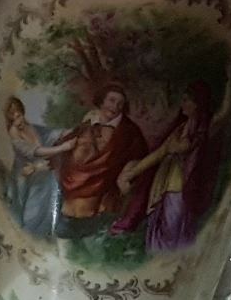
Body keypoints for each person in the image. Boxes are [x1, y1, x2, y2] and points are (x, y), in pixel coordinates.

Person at [110, 81, 220, 252]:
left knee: (174, 231)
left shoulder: (201, 131)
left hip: (181, 187)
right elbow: (161, 152)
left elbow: (179, 149)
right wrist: (132, 173)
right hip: (166, 185)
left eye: (187, 100)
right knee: (163, 230)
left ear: (197, 104)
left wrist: (133, 172)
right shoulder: (181, 129)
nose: (182, 104)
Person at [32, 84, 149, 229]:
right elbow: (68, 141)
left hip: (105, 174)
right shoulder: (90, 122)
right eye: (112, 100)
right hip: (76, 171)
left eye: (120, 104)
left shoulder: (129, 131)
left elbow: (139, 154)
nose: (115, 106)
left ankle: (87, 220)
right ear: (102, 101)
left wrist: (127, 171)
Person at [1, 97, 59, 237]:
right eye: (13, 117)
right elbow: (31, 151)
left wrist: (65, 134)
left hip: (41, 171)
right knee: (22, 200)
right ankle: (23, 231)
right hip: (24, 171)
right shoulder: (14, 131)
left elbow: (49, 134)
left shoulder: (31, 127)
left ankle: (42, 230)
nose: (18, 120)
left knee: (49, 193)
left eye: (19, 115)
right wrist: (60, 149)